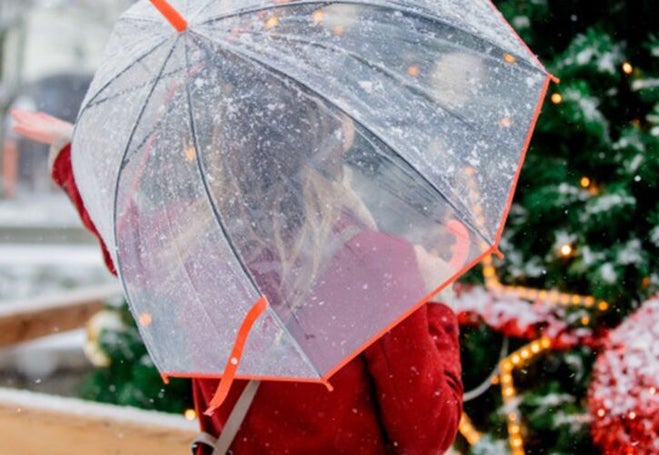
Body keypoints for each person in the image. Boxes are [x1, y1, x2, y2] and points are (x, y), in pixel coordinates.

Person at [10, 75, 463, 454]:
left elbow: (125, 239)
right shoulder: (377, 266)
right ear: (335, 145)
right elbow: (427, 436)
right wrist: (437, 307)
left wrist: (70, 154)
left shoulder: (198, 248)